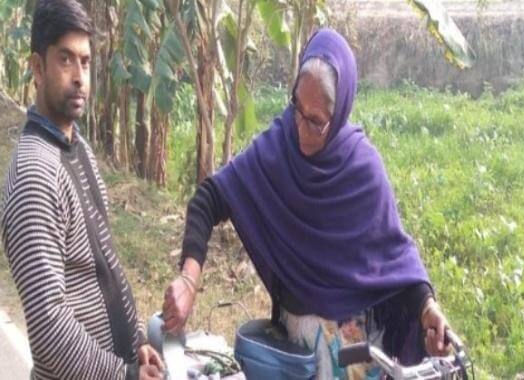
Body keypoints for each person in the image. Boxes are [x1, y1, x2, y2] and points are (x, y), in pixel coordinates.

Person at [162, 28, 451, 378]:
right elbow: (210, 197)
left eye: (315, 121)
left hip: (357, 348)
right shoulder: (278, 147)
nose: (300, 129)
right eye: (297, 107)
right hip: (298, 346)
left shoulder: (363, 172)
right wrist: (189, 280)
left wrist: (427, 309)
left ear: (340, 112)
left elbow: (396, 265)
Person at [0, 1, 163, 379]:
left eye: (86, 62)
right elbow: (48, 329)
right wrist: (123, 374)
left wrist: (137, 339)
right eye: (65, 60)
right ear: (37, 68)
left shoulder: (77, 148)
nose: (79, 77)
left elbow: (101, 263)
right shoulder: (34, 174)